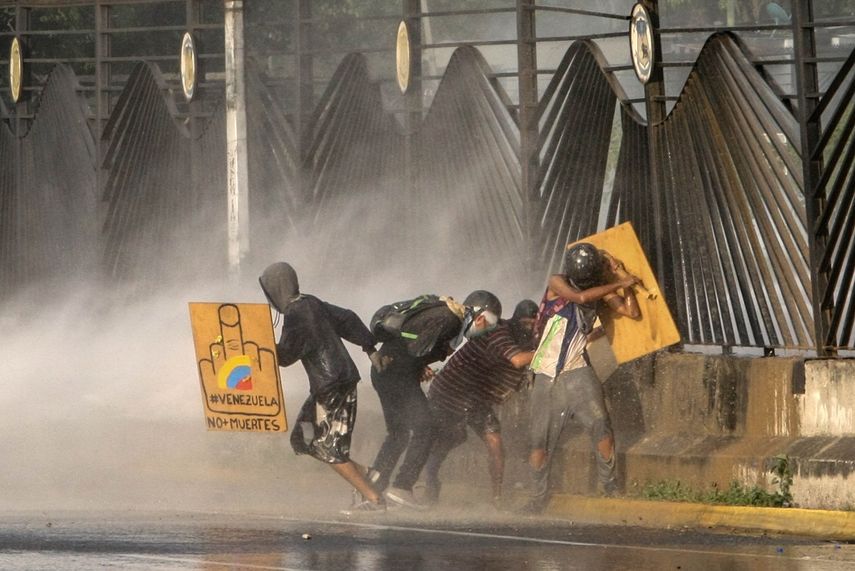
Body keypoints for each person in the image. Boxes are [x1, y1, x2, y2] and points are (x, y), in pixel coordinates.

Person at [259, 262, 386, 514]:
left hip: (332, 386)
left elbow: (286, 355)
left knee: (328, 448)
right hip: (333, 382)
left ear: (275, 289)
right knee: (303, 438)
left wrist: (262, 344)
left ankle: (374, 499)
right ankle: (366, 474)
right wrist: (369, 346)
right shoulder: (311, 302)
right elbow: (347, 318)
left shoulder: (295, 313)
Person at [522, 243, 640, 514]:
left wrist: (624, 279)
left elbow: (631, 312)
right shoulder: (557, 282)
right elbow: (581, 298)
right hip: (546, 373)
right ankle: (537, 497)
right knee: (540, 440)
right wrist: (619, 282)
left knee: (601, 425)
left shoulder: (601, 290)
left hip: (577, 369)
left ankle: (609, 486)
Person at [369, 290, 501, 510]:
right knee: (427, 427)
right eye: (487, 323)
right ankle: (402, 487)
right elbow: (415, 349)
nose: (485, 329)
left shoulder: (446, 315)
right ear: (479, 316)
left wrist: (420, 367)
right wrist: (419, 366)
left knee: (398, 434)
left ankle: (371, 490)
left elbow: (412, 344)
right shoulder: (450, 320)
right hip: (397, 374)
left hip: (384, 370)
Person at [423, 298, 539, 508]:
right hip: (451, 391)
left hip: (477, 399)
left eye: (533, 323)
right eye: (526, 323)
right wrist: (549, 350)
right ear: (516, 320)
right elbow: (518, 360)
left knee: (495, 443)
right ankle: (430, 481)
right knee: (449, 439)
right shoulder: (500, 332)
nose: (530, 328)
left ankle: (497, 498)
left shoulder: (530, 339)